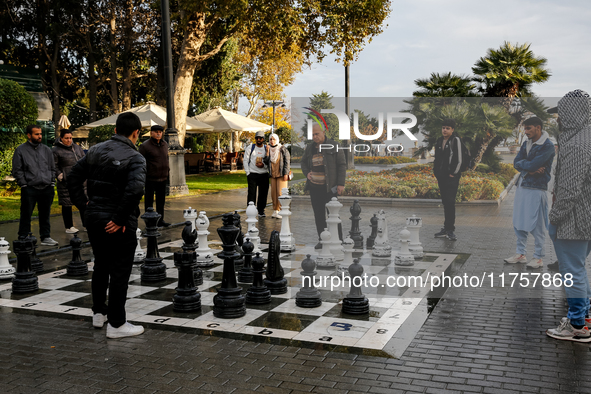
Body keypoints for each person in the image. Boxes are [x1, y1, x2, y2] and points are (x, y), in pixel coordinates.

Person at [68, 112, 146, 339]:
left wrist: (84, 206)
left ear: (114, 130)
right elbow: (135, 190)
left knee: (101, 265)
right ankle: (117, 324)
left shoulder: (94, 150)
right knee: (120, 271)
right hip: (118, 223)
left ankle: (99, 313)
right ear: (136, 133)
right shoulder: (136, 157)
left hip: (94, 218)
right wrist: (120, 219)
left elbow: (72, 177)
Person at [546, 90, 591, 342]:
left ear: (571, 114)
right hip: (586, 218)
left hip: (573, 220)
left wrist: (554, 218)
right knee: (579, 270)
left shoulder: (576, 145)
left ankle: (576, 327)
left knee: (572, 271)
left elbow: (568, 190)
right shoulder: (586, 137)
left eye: (561, 114)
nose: (558, 119)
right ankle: (584, 318)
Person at [504, 117, 554, 268]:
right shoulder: (526, 143)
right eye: (525, 129)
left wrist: (528, 166)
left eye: (529, 129)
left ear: (538, 128)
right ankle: (521, 254)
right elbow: (516, 163)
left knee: (537, 224)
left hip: (537, 188)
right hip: (522, 186)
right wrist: (529, 168)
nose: (526, 132)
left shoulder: (547, 146)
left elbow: (533, 164)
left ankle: (538, 257)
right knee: (518, 221)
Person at [301, 123, 346, 249]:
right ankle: (322, 240)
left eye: (317, 134)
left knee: (333, 214)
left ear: (323, 132)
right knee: (319, 215)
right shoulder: (310, 148)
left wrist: (341, 184)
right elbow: (303, 162)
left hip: (330, 188)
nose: (315, 137)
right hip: (315, 187)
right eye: (313, 134)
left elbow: (342, 165)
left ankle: (338, 239)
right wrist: (307, 173)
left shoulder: (334, 145)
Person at [12, 125, 58, 246]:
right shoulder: (20, 150)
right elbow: (17, 169)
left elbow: (53, 167)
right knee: (26, 213)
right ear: (29, 135)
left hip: (47, 187)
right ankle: (23, 236)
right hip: (30, 188)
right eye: (37, 134)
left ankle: (45, 237)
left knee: (45, 213)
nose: (40, 136)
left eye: (40, 134)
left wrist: (52, 181)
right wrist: (24, 184)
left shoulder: (47, 150)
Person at [433, 119, 463, 241]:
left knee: (450, 202)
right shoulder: (440, 141)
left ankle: (450, 229)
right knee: (445, 202)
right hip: (442, 176)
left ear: (452, 130)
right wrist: (436, 172)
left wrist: (453, 173)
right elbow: (437, 158)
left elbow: (460, 159)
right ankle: (446, 228)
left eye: (447, 128)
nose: (445, 130)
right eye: (443, 128)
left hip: (452, 177)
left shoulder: (455, 140)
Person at [53, 128, 86, 233]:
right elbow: (53, 165)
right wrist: (59, 174)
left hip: (81, 180)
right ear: (61, 138)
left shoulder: (77, 148)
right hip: (66, 181)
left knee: (84, 203)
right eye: (66, 138)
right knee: (67, 204)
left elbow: (84, 160)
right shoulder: (55, 150)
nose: (69, 140)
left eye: (71, 138)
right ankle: (69, 226)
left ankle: (86, 224)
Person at [139, 125, 170, 227]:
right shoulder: (145, 146)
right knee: (149, 201)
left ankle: (161, 220)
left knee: (161, 201)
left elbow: (166, 158)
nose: (158, 134)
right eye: (156, 132)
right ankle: (150, 222)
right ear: (151, 133)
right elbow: (141, 162)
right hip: (150, 178)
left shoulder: (164, 144)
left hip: (163, 177)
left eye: (160, 132)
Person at [244, 130, 270, 217]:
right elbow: (245, 160)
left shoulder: (266, 148)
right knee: (252, 193)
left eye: (260, 138)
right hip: (253, 174)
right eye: (257, 138)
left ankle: (261, 211)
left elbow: (269, 162)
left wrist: (264, 166)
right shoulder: (250, 147)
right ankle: (251, 210)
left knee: (263, 194)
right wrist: (248, 173)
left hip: (264, 174)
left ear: (263, 139)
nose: (259, 139)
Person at [267, 133, 290, 219]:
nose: (272, 141)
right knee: (273, 193)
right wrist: (266, 152)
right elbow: (266, 161)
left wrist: (286, 173)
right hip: (273, 174)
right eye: (270, 139)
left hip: (281, 174)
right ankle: (275, 210)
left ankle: (281, 210)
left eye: (274, 139)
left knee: (281, 193)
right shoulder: (269, 149)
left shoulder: (282, 148)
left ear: (277, 140)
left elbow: (287, 162)